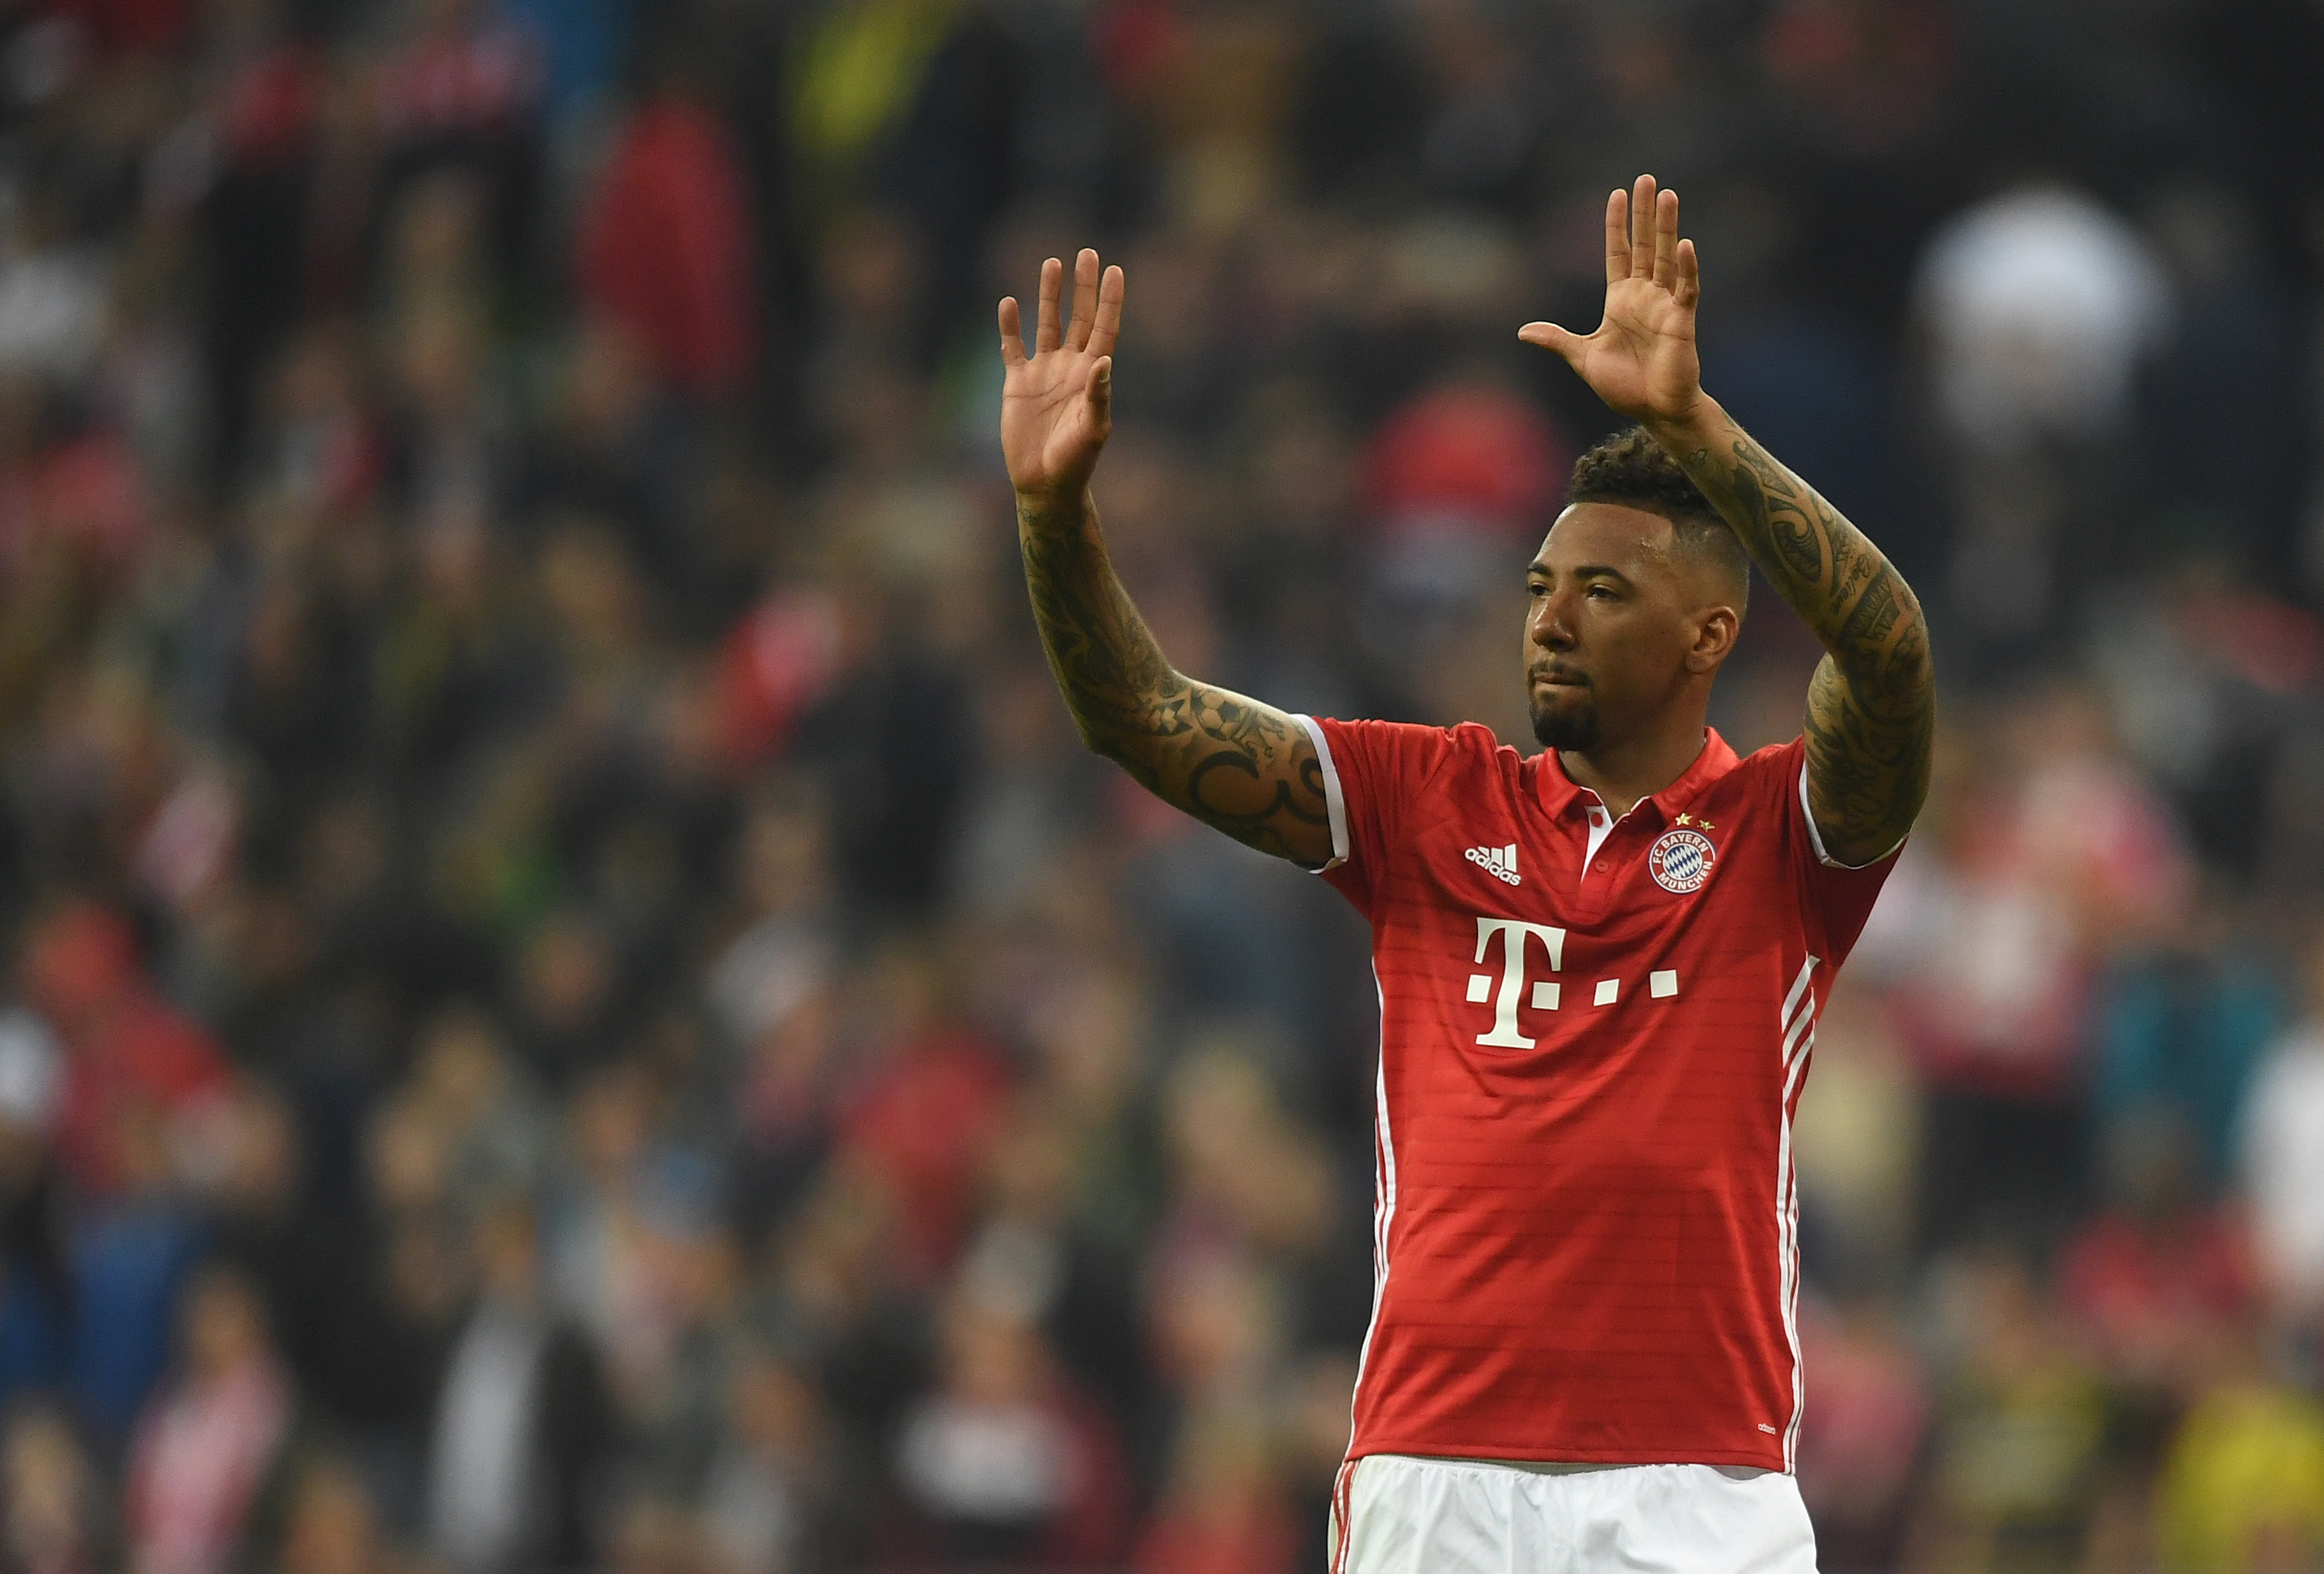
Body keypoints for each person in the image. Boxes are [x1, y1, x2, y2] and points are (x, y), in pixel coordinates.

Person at [997, 173, 1936, 1572]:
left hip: (1695, 1487)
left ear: (1709, 635)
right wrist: (1055, 518)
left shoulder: (1782, 836)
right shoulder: (1425, 799)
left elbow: (1891, 654)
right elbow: (1137, 715)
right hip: (1435, 1475)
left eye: (1601, 592)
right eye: (1539, 591)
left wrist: (1695, 429)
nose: (1549, 622)